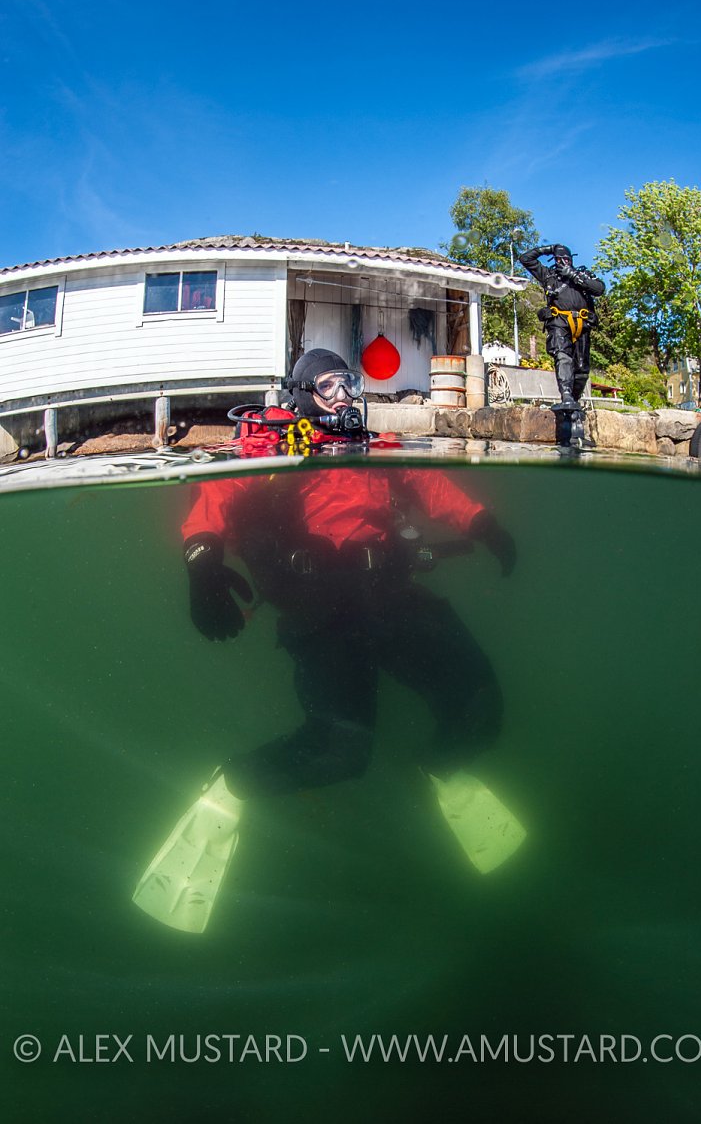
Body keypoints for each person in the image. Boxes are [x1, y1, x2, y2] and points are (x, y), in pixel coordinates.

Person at [132, 350, 526, 933]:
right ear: (301, 395)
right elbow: (213, 502)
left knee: (480, 704)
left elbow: (426, 482)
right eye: (328, 387)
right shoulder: (273, 450)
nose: (343, 397)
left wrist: (481, 524)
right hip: (322, 617)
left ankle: (439, 765)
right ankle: (234, 787)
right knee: (341, 753)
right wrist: (202, 566)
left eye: (349, 384)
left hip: (390, 598)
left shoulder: (368, 447)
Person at [519, 244, 605, 441]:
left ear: (571, 260)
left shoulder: (583, 276)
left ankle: (574, 399)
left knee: (582, 369)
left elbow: (600, 288)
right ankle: (566, 395)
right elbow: (525, 259)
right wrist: (547, 249)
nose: (562, 262)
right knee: (563, 357)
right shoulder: (548, 276)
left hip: (582, 324)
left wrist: (575, 275)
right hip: (559, 323)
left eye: (566, 259)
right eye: (559, 259)